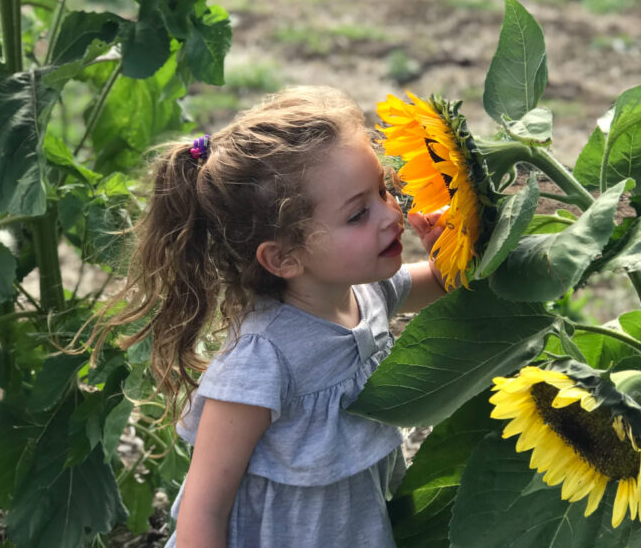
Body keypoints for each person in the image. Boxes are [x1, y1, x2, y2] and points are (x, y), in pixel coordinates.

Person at [94, 86, 447, 548]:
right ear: (283, 258)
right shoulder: (262, 359)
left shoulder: (369, 291)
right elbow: (204, 508)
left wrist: (449, 243)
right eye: (358, 214)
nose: (391, 214)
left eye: (383, 190)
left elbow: (444, 282)